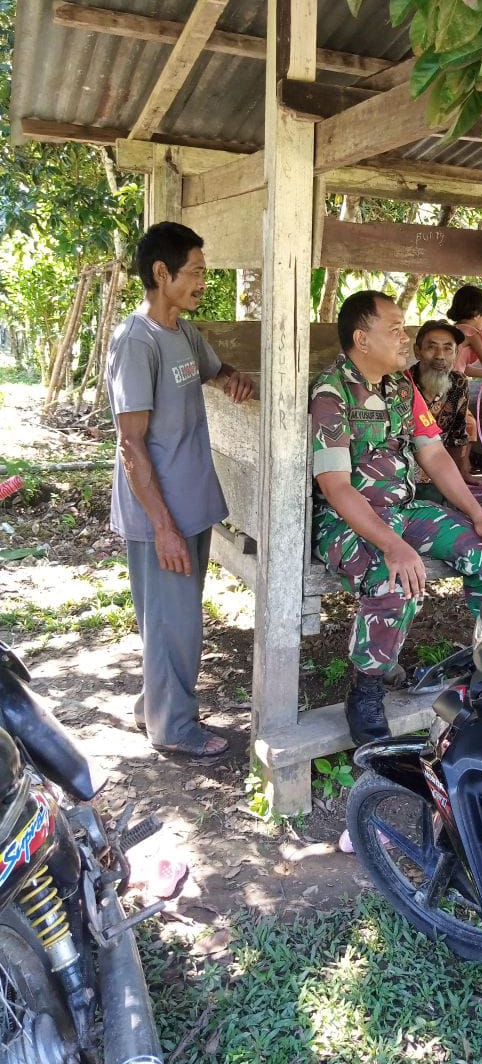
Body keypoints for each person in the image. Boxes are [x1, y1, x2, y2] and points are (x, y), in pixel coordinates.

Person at [311, 290, 482, 745]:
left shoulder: (403, 387)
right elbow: (336, 486)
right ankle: (366, 689)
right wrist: (393, 545)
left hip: (404, 510)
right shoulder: (332, 393)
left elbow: (435, 454)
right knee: (394, 578)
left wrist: (479, 515)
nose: (405, 338)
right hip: (347, 519)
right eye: (396, 329)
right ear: (362, 339)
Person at [106, 222, 254, 757]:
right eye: (194, 272)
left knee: (174, 618)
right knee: (174, 623)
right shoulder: (136, 342)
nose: (202, 281)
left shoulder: (184, 334)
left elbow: (216, 370)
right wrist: (162, 527)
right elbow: (131, 444)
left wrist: (233, 377)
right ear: (161, 273)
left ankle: (155, 705)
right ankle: (173, 727)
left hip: (190, 504)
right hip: (160, 512)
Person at [408, 319, 475, 491]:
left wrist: (456, 488)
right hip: (403, 478)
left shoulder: (459, 383)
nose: (440, 356)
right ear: (417, 351)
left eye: (447, 348)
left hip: (439, 476)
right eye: (432, 347)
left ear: (456, 354)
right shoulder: (401, 385)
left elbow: (456, 437)